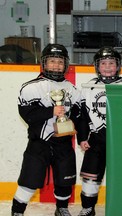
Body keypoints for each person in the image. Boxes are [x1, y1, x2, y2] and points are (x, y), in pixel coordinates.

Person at [11, 44, 83, 216]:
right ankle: (17, 211)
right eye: (52, 61)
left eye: (60, 61)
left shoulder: (73, 90)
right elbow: (27, 114)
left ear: (65, 64)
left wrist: (83, 137)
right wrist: (50, 111)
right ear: (44, 63)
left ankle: (62, 208)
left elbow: (80, 116)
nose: (56, 65)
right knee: (29, 180)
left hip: (64, 143)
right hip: (39, 143)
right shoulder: (31, 87)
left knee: (65, 180)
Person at [77, 47, 122, 216]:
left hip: (120, 140)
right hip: (95, 140)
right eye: (103, 63)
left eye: (111, 63)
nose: (107, 67)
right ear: (96, 66)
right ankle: (87, 207)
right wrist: (82, 137)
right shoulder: (88, 87)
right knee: (90, 176)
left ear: (118, 66)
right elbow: (82, 115)